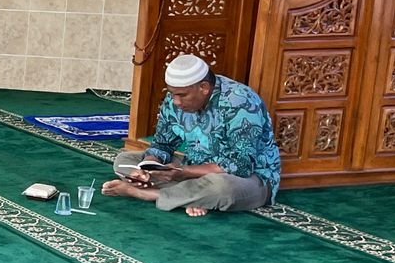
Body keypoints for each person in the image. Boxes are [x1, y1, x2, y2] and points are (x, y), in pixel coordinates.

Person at [103, 54, 281, 217]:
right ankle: (192, 197)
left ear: (204, 87)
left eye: (182, 95)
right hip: (193, 167)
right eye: (172, 94)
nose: (176, 102)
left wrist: (183, 173)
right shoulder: (174, 99)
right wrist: (148, 167)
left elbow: (241, 165)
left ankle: (149, 194)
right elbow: (162, 145)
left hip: (249, 178)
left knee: (222, 188)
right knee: (124, 160)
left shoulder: (240, 101)